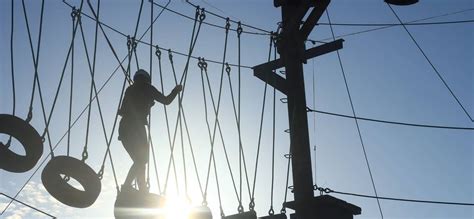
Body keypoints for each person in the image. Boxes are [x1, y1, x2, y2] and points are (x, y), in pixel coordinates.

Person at [118, 69, 182, 193]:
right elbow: (166, 100)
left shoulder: (129, 89)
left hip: (124, 128)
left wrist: (147, 104)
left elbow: (124, 109)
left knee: (140, 160)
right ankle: (128, 187)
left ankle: (141, 189)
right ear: (147, 79)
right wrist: (176, 90)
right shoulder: (148, 88)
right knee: (141, 160)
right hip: (136, 127)